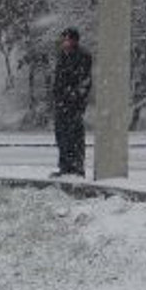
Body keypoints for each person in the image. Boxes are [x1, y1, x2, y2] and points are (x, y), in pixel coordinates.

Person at [51, 27, 92, 178]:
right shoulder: (62, 55)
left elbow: (84, 82)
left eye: (66, 39)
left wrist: (74, 97)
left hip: (74, 105)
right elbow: (58, 80)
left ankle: (76, 168)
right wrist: (57, 97)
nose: (64, 42)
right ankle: (65, 167)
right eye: (63, 39)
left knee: (74, 136)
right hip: (62, 103)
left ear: (74, 40)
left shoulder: (83, 56)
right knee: (61, 135)